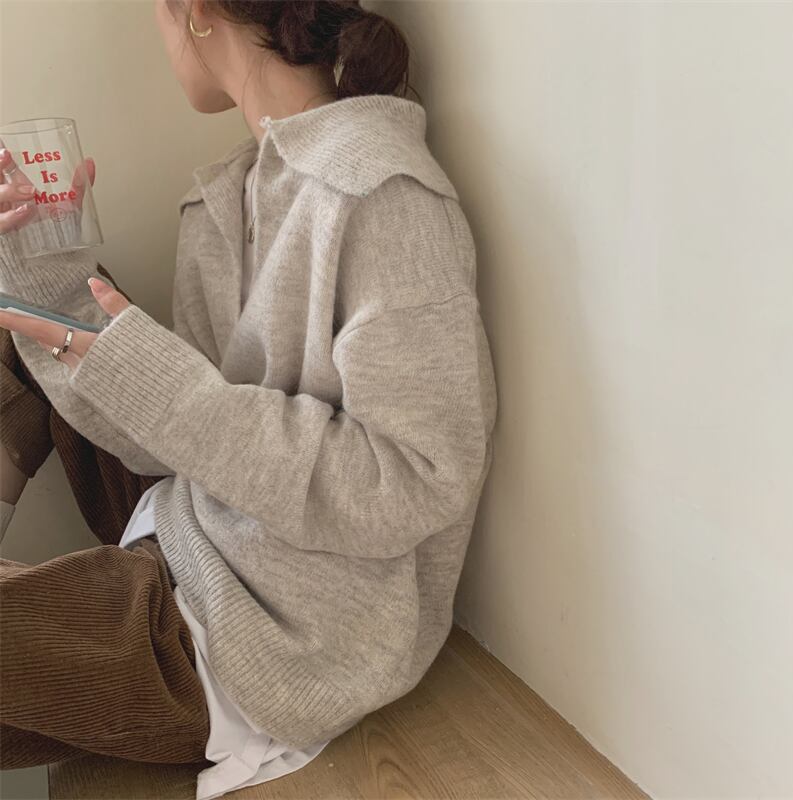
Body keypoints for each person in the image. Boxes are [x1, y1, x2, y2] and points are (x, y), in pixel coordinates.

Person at [0, 1, 498, 797]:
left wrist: (158, 384)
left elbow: (415, 479)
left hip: (272, 633)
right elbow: (181, 435)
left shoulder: (380, 192)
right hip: (192, 523)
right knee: (11, 304)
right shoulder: (230, 193)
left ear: (194, 13)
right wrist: (43, 271)